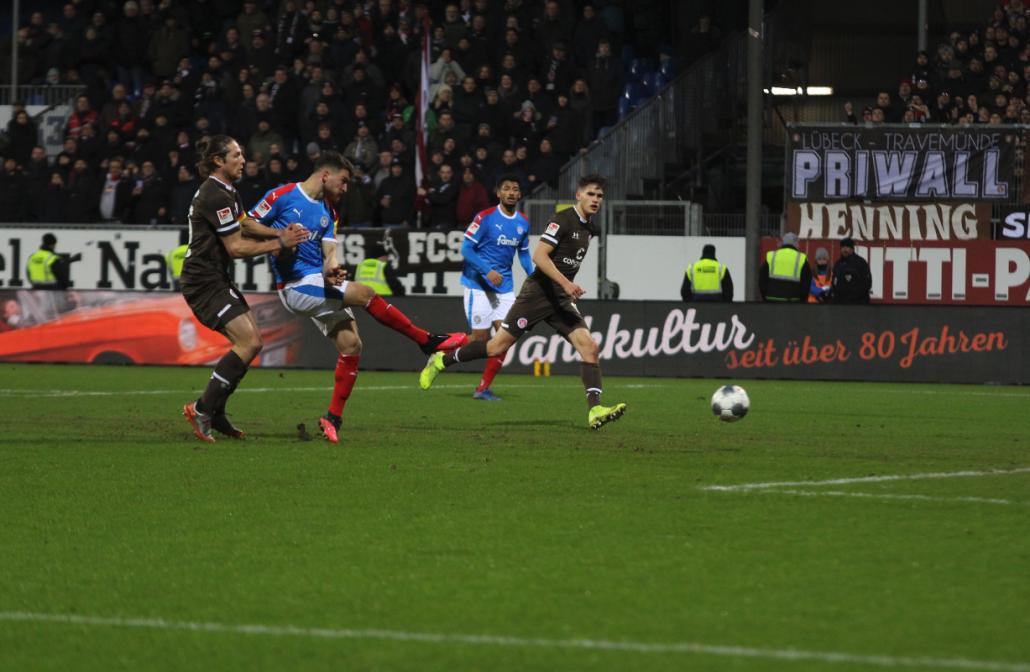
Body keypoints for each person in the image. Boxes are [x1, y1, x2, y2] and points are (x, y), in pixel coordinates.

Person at [246, 151, 467, 445]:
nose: (345, 188)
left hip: (316, 281)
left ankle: (332, 418)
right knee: (366, 293)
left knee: (352, 345)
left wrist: (333, 271)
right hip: (294, 286)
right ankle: (427, 341)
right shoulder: (283, 196)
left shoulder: (330, 213)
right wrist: (278, 235)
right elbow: (245, 224)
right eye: (344, 181)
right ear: (326, 175)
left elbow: (329, 256)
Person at [420, 175, 627, 430]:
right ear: (579, 195)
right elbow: (540, 256)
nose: (596, 199)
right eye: (591, 194)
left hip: (559, 299)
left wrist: (563, 287)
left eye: (600, 196)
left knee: (589, 347)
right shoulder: (561, 220)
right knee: (495, 347)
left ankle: (595, 409)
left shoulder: (589, 228)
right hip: (538, 295)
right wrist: (565, 283)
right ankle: (441, 361)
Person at [180, 135, 310, 444]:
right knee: (248, 342)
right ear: (218, 161)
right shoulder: (213, 194)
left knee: (253, 342)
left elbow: (246, 225)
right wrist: (279, 243)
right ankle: (201, 409)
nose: (244, 160)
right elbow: (236, 246)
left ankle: (215, 411)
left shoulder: (227, 191)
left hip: (215, 278)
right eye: (237, 155)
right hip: (203, 282)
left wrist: (278, 231)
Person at [457, 175, 534, 401]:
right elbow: (466, 249)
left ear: (519, 195)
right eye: (506, 189)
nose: (511, 192)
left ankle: (482, 389)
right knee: (480, 340)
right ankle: (442, 350)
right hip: (478, 284)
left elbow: (524, 254)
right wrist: (487, 271)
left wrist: (535, 276)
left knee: (505, 339)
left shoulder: (523, 222)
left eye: (515, 189)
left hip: (505, 288)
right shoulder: (486, 217)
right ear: (498, 193)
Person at [758, 232, 811, 302]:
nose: (798, 245)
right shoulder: (801, 258)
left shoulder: (771, 256)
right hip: (793, 300)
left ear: (783, 243)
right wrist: (802, 301)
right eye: (798, 243)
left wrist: (766, 296)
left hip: (771, 299)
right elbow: (806, 283)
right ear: (795, 244)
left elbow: (762, 280)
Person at [831, 238, 872, 304]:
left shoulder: (861, 263)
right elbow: (834, 282)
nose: (845, 249)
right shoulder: (838, 264)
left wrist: (852, 296)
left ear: (852, 249)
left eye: (847, 247)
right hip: (841, 304)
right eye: (843, 247)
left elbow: (867, 283)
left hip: (858, 304)